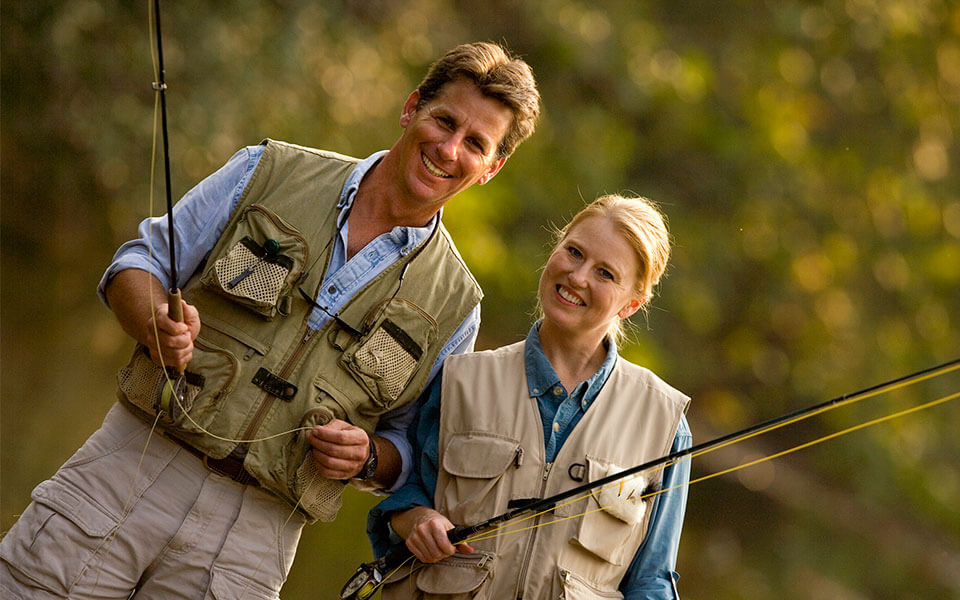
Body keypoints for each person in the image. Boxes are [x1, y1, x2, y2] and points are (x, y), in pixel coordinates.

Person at [0, 41, 540, 599]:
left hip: (252, 546)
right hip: (125, 469)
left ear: (492, 168)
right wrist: (154, 320)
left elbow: (410, 450)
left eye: (475, 143)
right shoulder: (269, 169)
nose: (449, 149)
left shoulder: (457, 306)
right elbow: (138, 264)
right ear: (411, 109)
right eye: (444, 121)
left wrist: (368, 455)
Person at [367, 195, 693, 599]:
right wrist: (416, 520)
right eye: (573, 252)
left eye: (605, 273)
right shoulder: (459, 379)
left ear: (633, 304)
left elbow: (651, 580)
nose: (577, 277)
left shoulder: (665, 424)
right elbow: (403, 493)